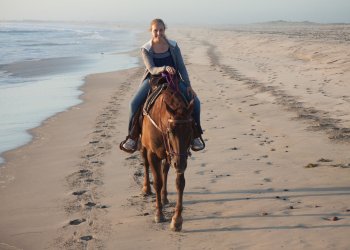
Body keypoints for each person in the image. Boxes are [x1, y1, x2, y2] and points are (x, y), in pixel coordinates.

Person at [122, 18, 204, 152]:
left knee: (197, 103)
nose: (158, 33)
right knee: (133, 104)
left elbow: (181, 67)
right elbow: (152, 69)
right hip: (153, 80)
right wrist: (164, 68)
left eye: (161, 30)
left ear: (164, 30)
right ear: (151, 31)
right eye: (155, 31)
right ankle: (133, 137)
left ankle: (196, 135)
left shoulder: (173, 46)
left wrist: (188, 84)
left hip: (174, 80)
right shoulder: (146, 48)